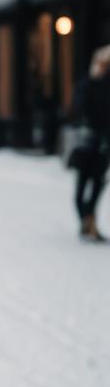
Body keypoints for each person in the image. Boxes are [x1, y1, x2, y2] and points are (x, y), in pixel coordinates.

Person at [68, 45, 110, 242]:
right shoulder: (88, 84)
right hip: (88, 142)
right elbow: (78, 109)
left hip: (102, 144)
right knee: (83, 186)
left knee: (96, 185)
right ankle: (87, 220)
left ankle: (89, 220)